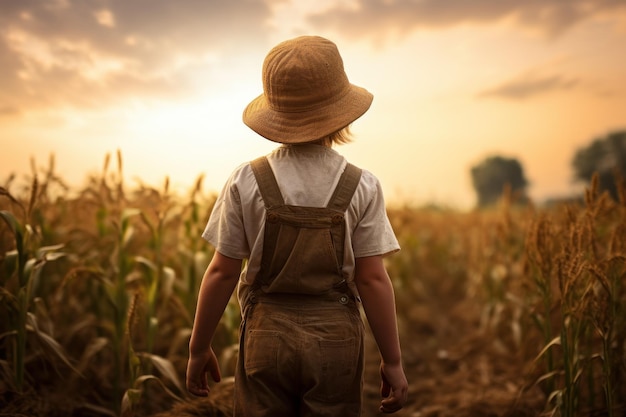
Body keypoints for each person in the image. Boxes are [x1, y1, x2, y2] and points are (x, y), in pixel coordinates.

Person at [186, 35, 408, 416]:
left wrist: (197, 348)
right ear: (341, 112)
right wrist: (393, 361)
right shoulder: (362, 184)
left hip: (265, 335)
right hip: (335, 337)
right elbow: (372, 279)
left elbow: (222, 271)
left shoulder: (246, 180)